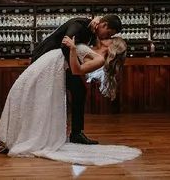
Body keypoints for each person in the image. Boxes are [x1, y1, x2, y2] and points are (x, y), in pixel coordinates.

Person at [31, 14, 123, 145]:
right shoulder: (79, 26)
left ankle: (75, 133)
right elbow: (65, 45)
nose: (107, 37)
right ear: (104, 25)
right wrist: (74, 69)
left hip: (60, 64)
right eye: (108, 33)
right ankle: (59, 133)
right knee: (62, 94)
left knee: (79, 91)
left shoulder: (93, 31)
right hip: (44, 60)